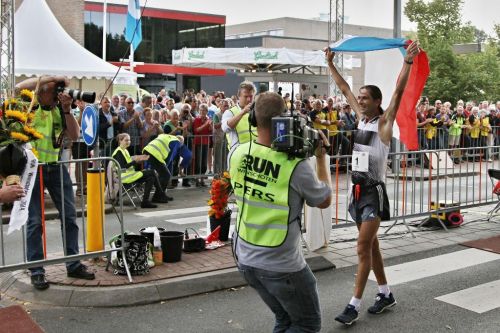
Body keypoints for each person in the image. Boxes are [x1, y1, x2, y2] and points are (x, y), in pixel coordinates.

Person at [326, 41, 420, 325]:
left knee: (362, 247)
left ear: (377, 102)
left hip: (373, 194)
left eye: (365, 97)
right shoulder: (361, 119)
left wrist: (408, 63)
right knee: (372, 247)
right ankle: (385, 293)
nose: (360, 99)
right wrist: (330, 64)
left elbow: (399, 91)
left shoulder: (383, 123)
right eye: (360, 97)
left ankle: (353, 304)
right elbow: (343, 88)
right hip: (356, 192)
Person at [230, 92, 331, 333]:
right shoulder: (296, 166)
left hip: (245, 259)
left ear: (254, 118)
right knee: (306, 325)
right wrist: (320, 158)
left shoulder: (237, 153)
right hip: (281, 265)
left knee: (285, 320)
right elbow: (324, 200)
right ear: (283, 121)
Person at [15, 76, 95, 290]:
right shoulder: (30, 106)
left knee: (70, 216)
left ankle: (73, 264)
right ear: (41, 91)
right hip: (32, 170)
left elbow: (75, 135)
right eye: (53, 90)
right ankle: (37, 270)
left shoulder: (61, 109)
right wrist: (51, 79)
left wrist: (68, 109)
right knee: (34, 221)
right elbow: (18, 87)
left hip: (56, 167)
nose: (57, 93)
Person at [112, 133, 165, 208]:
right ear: (120, 141)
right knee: (152, 172)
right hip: (125, 177)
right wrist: (135, 161)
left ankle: (145, 201)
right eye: (126, 140)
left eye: (129, 140)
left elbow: (128, 164)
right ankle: (160, 194)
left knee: (151, 178)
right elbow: (123, 167)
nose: (128, 142)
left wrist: (139, 160)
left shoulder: (124, 150)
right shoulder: (119, 152)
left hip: (129, 175)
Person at [221, 81, 257, 156]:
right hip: (238, 155)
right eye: (245, 96)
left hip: (255, 153)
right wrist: (242, 112)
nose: (248, 99)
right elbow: (225, 128)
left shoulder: (257, 111)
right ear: (239, 96)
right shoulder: (230, 112)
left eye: (251, 96)